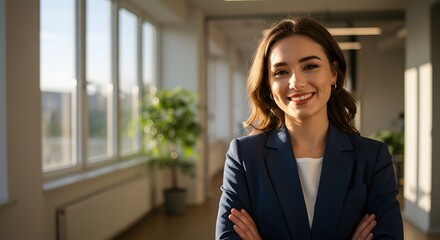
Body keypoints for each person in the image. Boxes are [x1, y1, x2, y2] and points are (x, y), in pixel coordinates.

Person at [215, 17, 403, 239]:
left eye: (310, 66)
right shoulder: (244, 156)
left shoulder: (372, 158)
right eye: (281, 72)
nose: (296, 82)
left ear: (333, 73)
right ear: (268, 84)